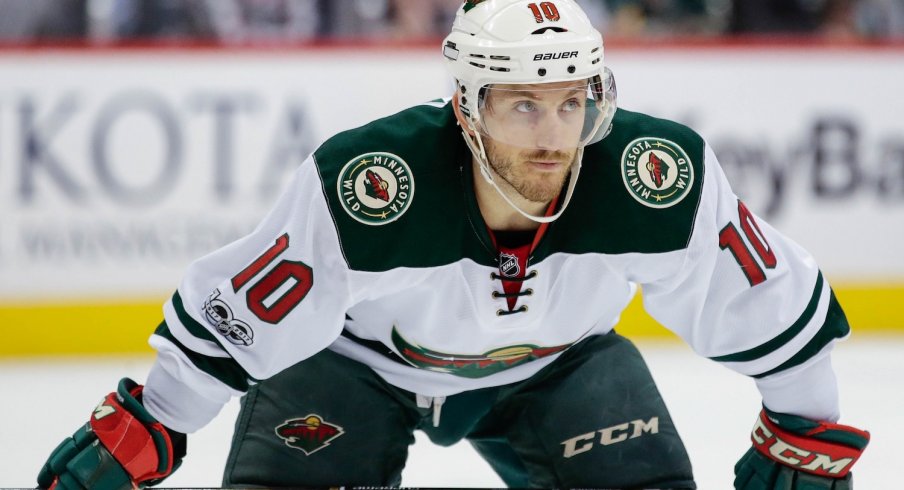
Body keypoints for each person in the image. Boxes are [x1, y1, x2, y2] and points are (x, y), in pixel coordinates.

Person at [37, 0, 870, 489]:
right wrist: (152, 424)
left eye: (572, 101)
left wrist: (807, 422)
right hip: (352, 369)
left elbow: (763, 299)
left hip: (559, 367)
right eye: (520, 106)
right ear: (466, 108)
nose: (553, 138)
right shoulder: (375, 184)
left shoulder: (655, 175)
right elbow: (247, 313)